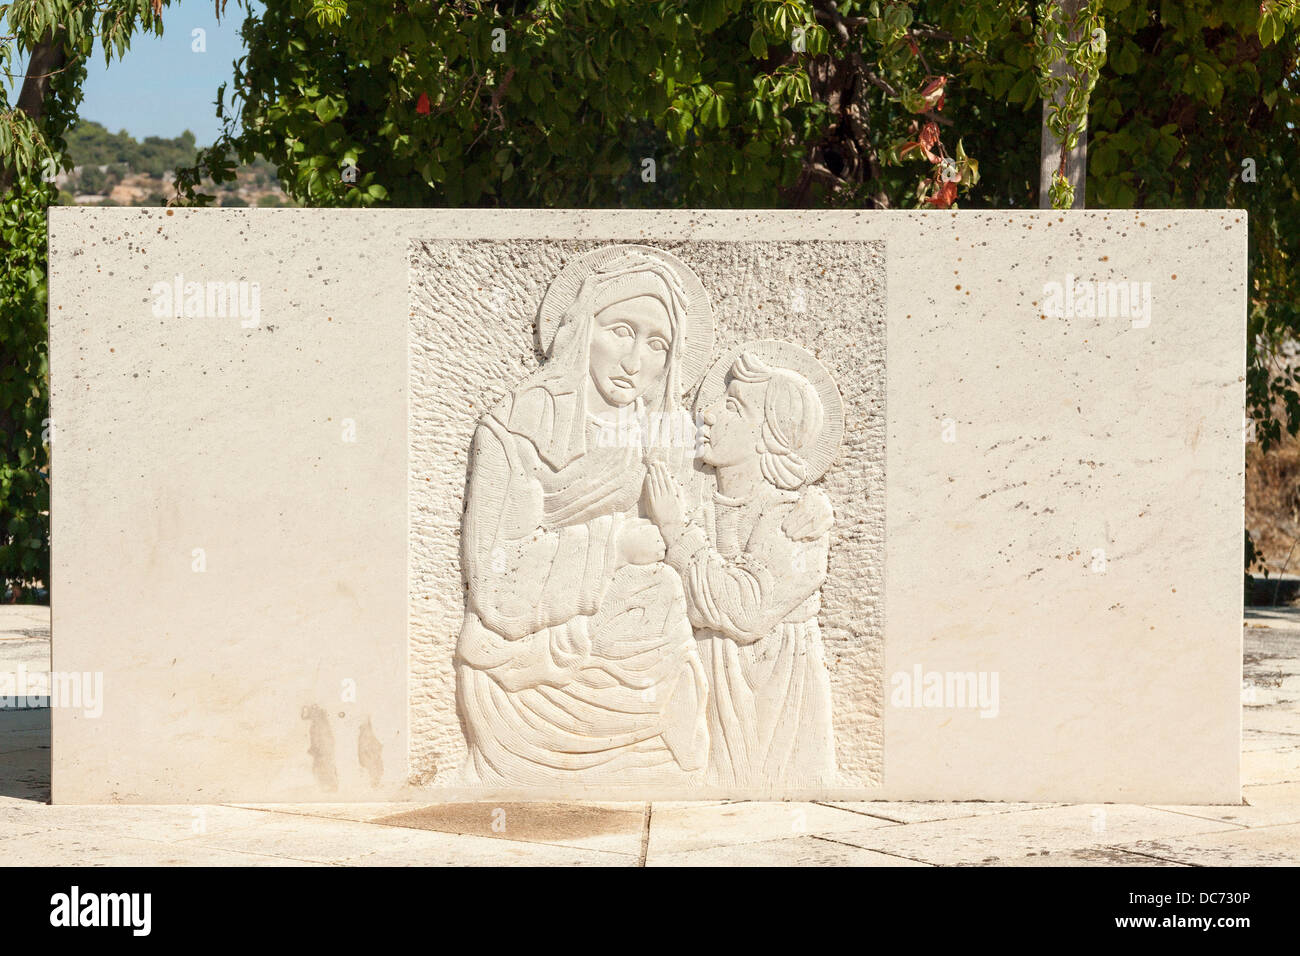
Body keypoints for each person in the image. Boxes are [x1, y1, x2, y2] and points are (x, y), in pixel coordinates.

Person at [455, 249, 710, 785]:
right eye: (621, 330)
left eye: (657, 344)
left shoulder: (658, 434)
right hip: (529, 666)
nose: (635, 361)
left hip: (634, 648)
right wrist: (612, 544)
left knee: (661, 592)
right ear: (583, 327)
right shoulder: (515, 430)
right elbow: (495, 585)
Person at [645, 349, 837, 788]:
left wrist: (676, 530)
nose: (708, 414)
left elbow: (745, 611)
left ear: (766, 435)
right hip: (707, 686)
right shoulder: (694, 499)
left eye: (732, 406)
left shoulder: (797, 520)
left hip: (773, 699)